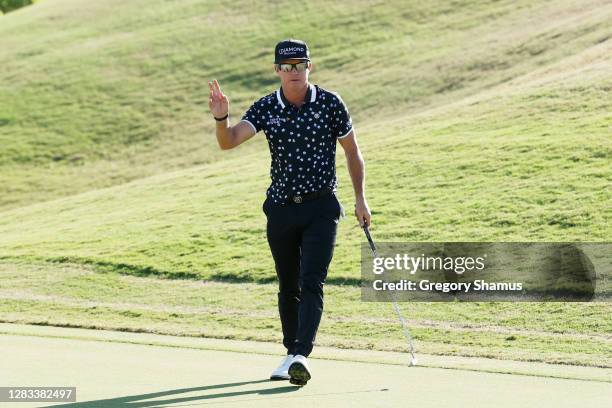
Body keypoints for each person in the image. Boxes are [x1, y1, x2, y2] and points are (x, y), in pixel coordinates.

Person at [208, 39, 371, 386]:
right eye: (287, 66)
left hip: (321, 207)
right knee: (288, 284)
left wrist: (360, 199)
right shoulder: (267, 107)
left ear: (309, 66)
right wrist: (222, 118)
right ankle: (290, 353)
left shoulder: (329, 103)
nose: (294, 71)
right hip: (281, 208)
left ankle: (301, 355)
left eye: (300, 65)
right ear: (277, 70)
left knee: (312, 280)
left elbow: (352, 151)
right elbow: (229, 141)